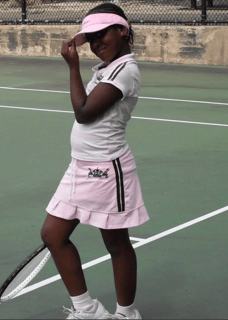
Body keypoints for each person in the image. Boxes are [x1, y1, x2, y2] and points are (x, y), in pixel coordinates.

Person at [40, 3, 150, 319]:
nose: (96, 42)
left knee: (116, 244)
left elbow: (84, 112)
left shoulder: (126, 70)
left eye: (102, 33)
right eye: (90, 38)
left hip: (106, 170)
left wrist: (72, 67)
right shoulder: (108, 68)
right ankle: (87, 310)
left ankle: (126, 313)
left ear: (123, 31)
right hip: (80, 167)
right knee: (53, 235)